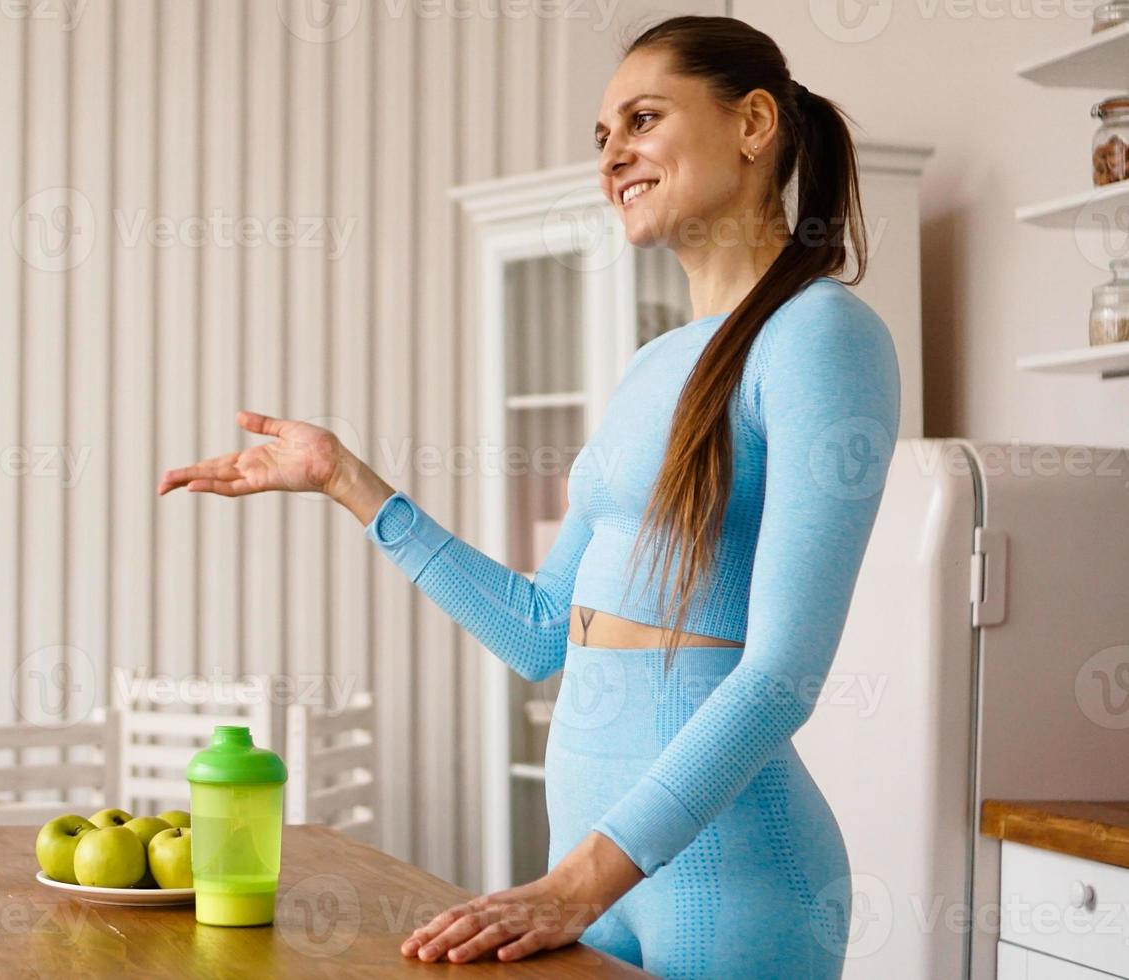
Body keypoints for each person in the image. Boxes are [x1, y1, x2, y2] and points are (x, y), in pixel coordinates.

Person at [157, 14, 898, 979]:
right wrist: (347, 481)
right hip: (586, 876)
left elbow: (784, 673)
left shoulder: (821, 334)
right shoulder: (652, 367)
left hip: (732, 881)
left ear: (753, 123)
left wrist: (581, 882)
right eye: (602, 137)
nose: (612, 158)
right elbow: (544, 631)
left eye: (641, 119)